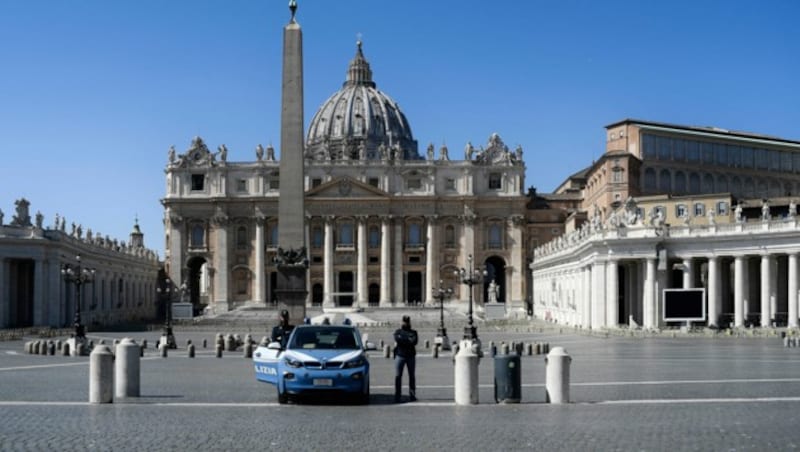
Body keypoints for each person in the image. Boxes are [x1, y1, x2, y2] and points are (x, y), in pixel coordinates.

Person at [393, 315, 418, 403]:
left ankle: (412, 394)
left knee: (412, 376)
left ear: (409, 323)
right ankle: (397, 395)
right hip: (400, 356)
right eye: (404, 321)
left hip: (410, 356)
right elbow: (398, 339)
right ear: (401, 322)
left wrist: (403, 339)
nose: (405, 323)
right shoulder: (397, 332)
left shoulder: (414, 332)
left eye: (406, 322)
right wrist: (408, 340)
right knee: (398, 376)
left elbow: (414, 342)